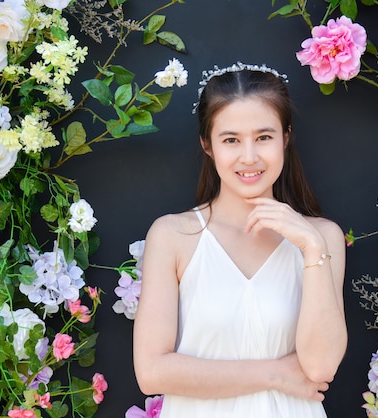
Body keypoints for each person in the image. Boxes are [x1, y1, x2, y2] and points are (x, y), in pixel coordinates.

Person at [133, 62, 348, 417]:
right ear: (208, 145)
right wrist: (276, 374)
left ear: (285, 136)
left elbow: (321, 367)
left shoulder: (322, 238)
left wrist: (311, 249)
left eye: (264, 137)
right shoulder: (174, 235)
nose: (249, 157)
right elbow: (152, 371)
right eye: (231, 140)